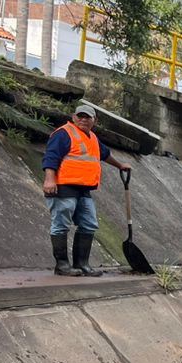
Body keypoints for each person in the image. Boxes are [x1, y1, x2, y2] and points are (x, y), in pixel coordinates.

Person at [42, 102, 131, 277]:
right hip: (63, 186)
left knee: (89, 224)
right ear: (74, 117)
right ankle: (62, 266)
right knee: (61, 225)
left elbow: (104, 154)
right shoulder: (64, 134)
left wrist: (120, 165)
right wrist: (49, 179)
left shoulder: (92, 138)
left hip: (84, 190)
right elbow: (51, 156)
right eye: (80, 116)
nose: (83, 119)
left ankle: (82, 264)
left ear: (94, 120)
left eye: (87, 117)